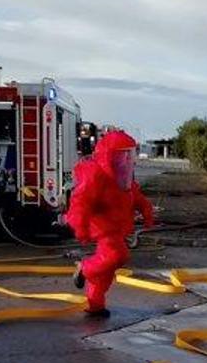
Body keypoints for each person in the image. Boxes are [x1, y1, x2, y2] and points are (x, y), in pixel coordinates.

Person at [66, 130, 154, 317]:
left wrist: (146, 211)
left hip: (116, 227)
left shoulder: (123, 178)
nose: (127, 159)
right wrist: (80, 226)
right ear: (110, 156)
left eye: (128, 155)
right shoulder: (97, 176)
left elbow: (135, 196)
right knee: (117, 256)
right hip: (104, 227)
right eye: (122, 155)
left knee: (105, 272)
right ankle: (85, 268)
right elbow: (80, 202)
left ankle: (95, 304)